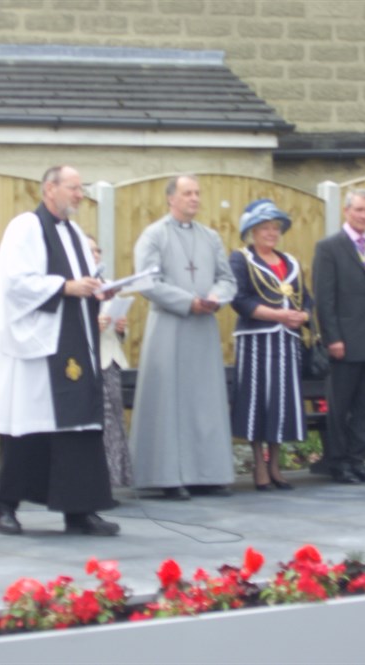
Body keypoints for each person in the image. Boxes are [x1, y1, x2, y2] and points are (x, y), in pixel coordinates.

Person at [0, 165, 120, 536]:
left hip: (75, 340)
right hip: (40, 348)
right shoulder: (25, 227)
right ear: (50, 189)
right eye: (74, 188)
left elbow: (82, 282)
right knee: (28, 429)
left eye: (81, 188)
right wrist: (65, 287)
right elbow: (15, 283)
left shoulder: (76, 233)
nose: (80, 195)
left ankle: (80, 510)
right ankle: (6, 506)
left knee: (78, 428)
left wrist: (99, 289)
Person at [129, 174, 237, 500]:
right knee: (169, 403)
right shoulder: (153, 236)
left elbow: (226, 278)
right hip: (169, 328)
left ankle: (207, 473)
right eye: (187, 193)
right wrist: (187, 302)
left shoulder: (210, 237)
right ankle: (168, 476)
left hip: (203, 328)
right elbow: (147, 283)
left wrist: (216, 298)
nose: (194, 198)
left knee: (204, 402)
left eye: (197, 193)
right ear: (170, 199)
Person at [229, 199, 312, 491]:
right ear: (252, 231)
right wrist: (278, 314)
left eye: (275, 228)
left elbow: (307, 298)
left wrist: (304, 315)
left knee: (281, 402)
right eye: (264, 228)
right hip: (256, 341)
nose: (271, 233)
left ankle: (276, 464)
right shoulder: (241, 259)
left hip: (287, 342)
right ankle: (258, 465)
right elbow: (239, 300)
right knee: (256, 402)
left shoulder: (290, 262)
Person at [312, 189, 365, 484]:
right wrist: (333, 338)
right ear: (347, 211)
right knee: (341, 404)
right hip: (344, 339)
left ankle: (358, 460)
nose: (364, 216)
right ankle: (339, 462)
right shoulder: (329, 247)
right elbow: (324, 298)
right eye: (359, 210)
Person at [87, 235, 133, 496]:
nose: (95, 255)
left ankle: (114, 480)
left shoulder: (109, 286)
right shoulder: (80, 289)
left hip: (111, 361)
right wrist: (93, 327)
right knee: (100, 422)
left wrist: (120, 328)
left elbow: (118, 333)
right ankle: (98, 483)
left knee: (115, 422)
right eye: (90, 251)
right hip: (90, 363)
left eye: (98, 250)